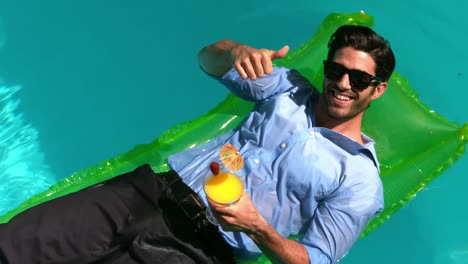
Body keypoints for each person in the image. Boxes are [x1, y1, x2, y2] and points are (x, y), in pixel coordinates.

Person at [0, 25, 395, 264]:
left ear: (377, 91)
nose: (343, 84)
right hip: (147, 193)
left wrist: (258, 227)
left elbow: (316, 259)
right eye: (337, 70)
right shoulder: (287, 88)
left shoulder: (359, 179)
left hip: (197, 252)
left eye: (359, 79)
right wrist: (236, 51)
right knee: (13, 245)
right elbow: (208, 60)